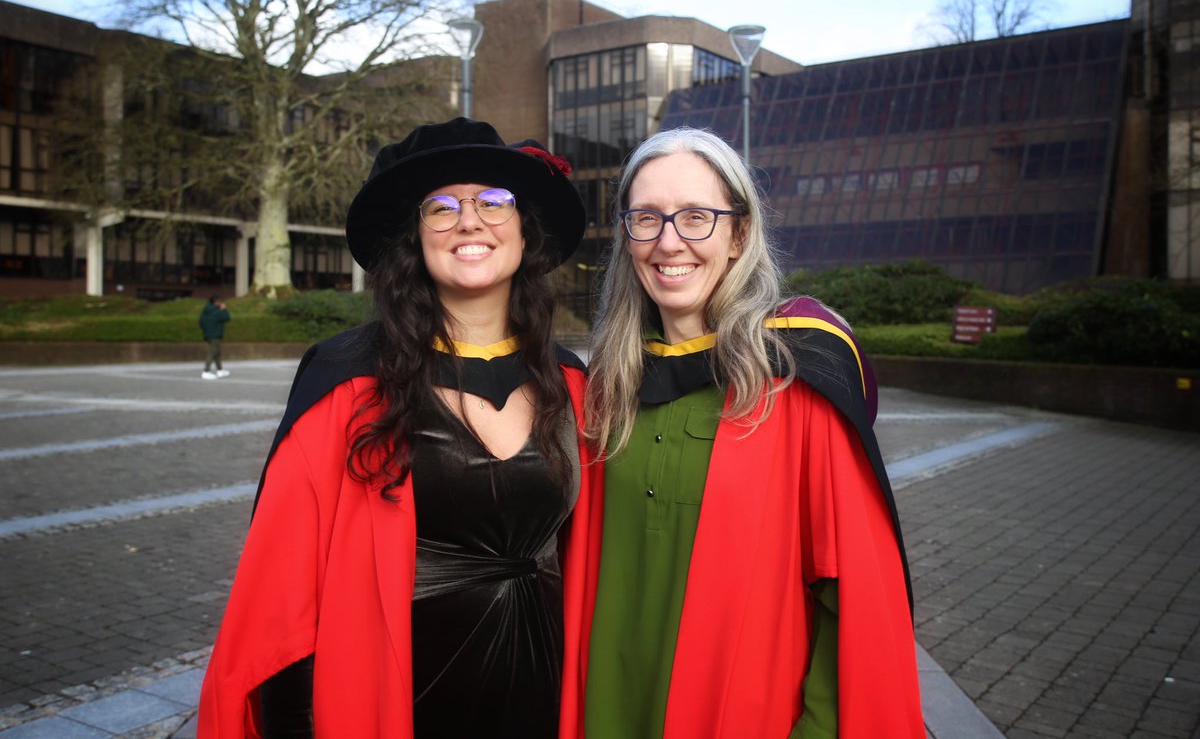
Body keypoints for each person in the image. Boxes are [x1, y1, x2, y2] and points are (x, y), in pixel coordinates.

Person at [198, 117, 595, 738]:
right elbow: (283, 601)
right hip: (396, 695)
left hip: (542, 688)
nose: (470, 221)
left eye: (493, 202)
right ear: (415, 236)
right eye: (440, 208)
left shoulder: (570, 384)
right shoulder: (347, 382)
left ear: (525, 229)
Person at [568, 128, 924, 738]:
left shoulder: (795, 383)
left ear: (738, 234)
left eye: (696, 217)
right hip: (608, 706)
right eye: (646, 218)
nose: (668, 241)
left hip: (747, 715)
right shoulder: (604, 392)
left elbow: (854, 599)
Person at [200, 295, 231, 380]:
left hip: (208, 334)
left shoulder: (205, 311)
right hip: (215, 334)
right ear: (216, 302)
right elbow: (227, 317)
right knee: (213, 352)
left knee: (217, 352)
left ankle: (220, 370)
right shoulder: (216, 311)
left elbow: (201, 322)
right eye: (219, 301)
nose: (221, 303)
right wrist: (224, 309)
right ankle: (206, 371)